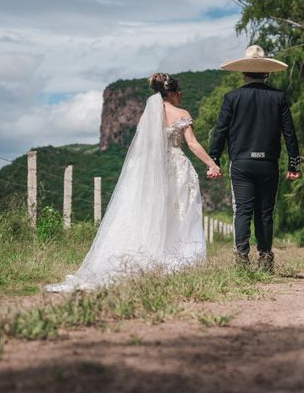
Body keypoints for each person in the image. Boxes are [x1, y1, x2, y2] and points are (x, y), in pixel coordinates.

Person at [46, 73, 221, 292]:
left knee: (152, 211)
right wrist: (211, 164)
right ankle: (175, 257)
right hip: (177, 168)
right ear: (174, 93)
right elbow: (193, 144)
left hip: (152, 170)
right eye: (179, 92)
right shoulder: (181, 114)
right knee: (178, 213)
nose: (181, 96)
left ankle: (148, 254)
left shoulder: (148, 117)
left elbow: (142, 148)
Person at [209, 45, 301, 272]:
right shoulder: (278, 97)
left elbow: (220, 130)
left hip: (241, 163)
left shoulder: (232, 97)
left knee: (243, 210)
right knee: (265, 213)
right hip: (268, 164)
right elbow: (289, 132)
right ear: (267, 72)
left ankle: (241, 259)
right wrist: (294, 164)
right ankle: (266, 260)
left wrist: (214, 160)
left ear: (243, 72)